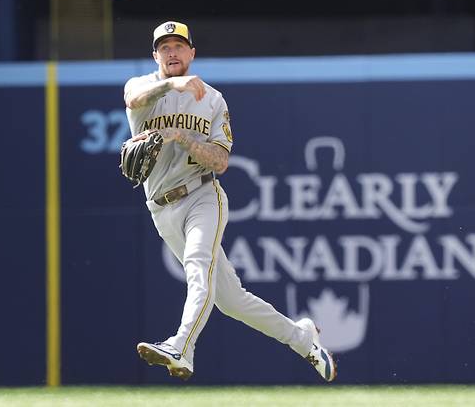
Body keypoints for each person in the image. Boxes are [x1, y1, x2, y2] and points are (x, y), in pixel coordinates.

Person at [123, 20, 337, 382]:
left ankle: (181, 347)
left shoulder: (212, 99)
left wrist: (182, 138)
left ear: (192, 52)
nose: (171, 52)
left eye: (178, 45)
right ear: (154, 55)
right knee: (231, 300)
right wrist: (172, 84)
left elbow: (221, 161)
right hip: (161, 207)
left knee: (197, 266)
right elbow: (133, 101)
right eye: (164, 47)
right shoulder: (141, 86)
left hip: (202, 196)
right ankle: (303, 338)